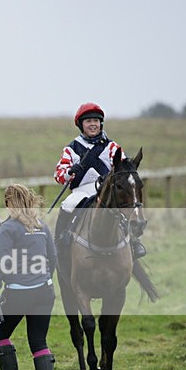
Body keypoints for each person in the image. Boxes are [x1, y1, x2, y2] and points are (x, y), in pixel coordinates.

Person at [0, 184, 56, 370]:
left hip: (18, 293)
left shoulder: (8, 228)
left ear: (8, 203)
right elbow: (52, 259)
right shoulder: (42, 226)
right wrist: (42, 279)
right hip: (45, 291)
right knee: (38, 341)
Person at [53, 102, 147, 260]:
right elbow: (59, 175)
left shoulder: (111, 147)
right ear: (81, 125)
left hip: (106, 190)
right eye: (88, 121)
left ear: (100, 123)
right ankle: (59, 244)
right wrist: (70, 172)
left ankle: (134, 242)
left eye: (96, 121)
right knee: (67, 205)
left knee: (124, 208)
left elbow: (123, 169)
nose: (93, 124)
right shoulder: (71, 148)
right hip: (81, 191)